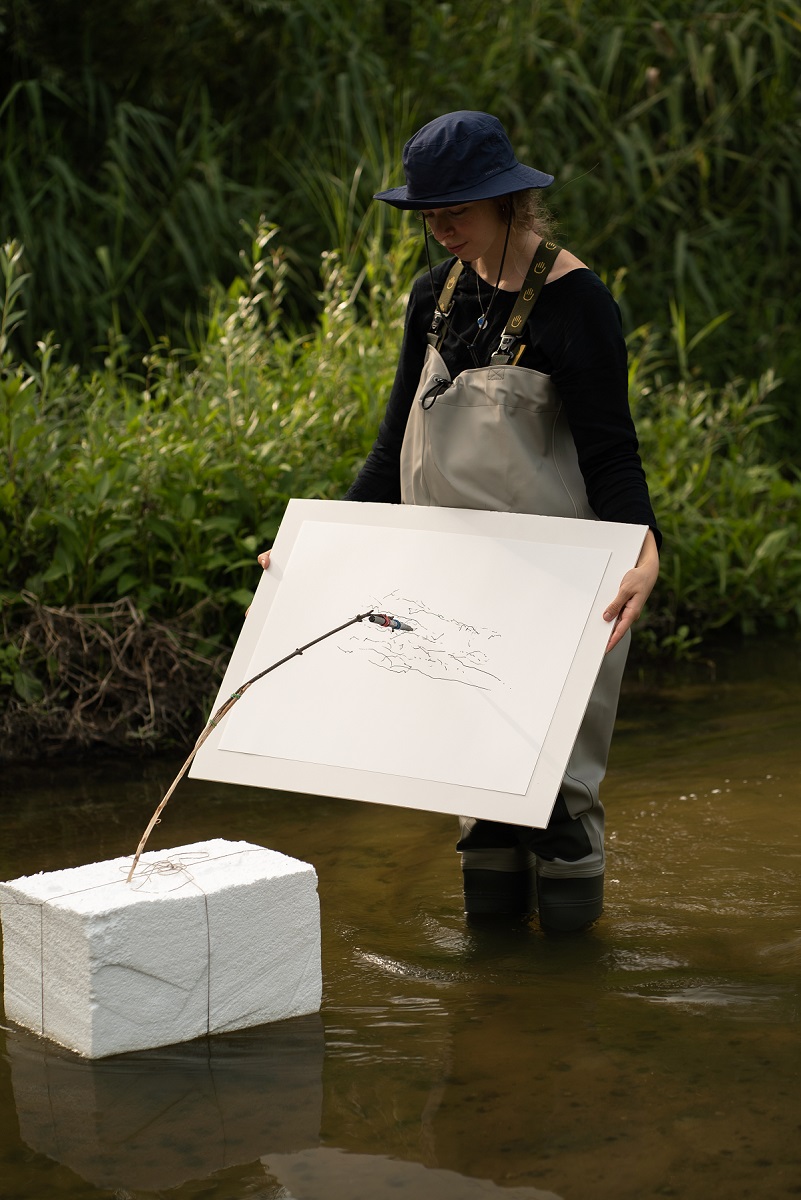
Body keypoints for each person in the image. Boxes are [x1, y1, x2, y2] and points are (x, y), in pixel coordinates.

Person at [260, 110, 660, 932]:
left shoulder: (576, 303)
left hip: (557, 583)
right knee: (478, 802)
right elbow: (387, 449)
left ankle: (568, 1002)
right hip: (447, 581)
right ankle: (496, 999)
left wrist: (645, 551)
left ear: (510, 200)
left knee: (555, 800)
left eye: (456, 211)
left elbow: (611, 454)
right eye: (428, 214)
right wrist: (316, 548)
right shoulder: (432, 296)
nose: (441, 228)